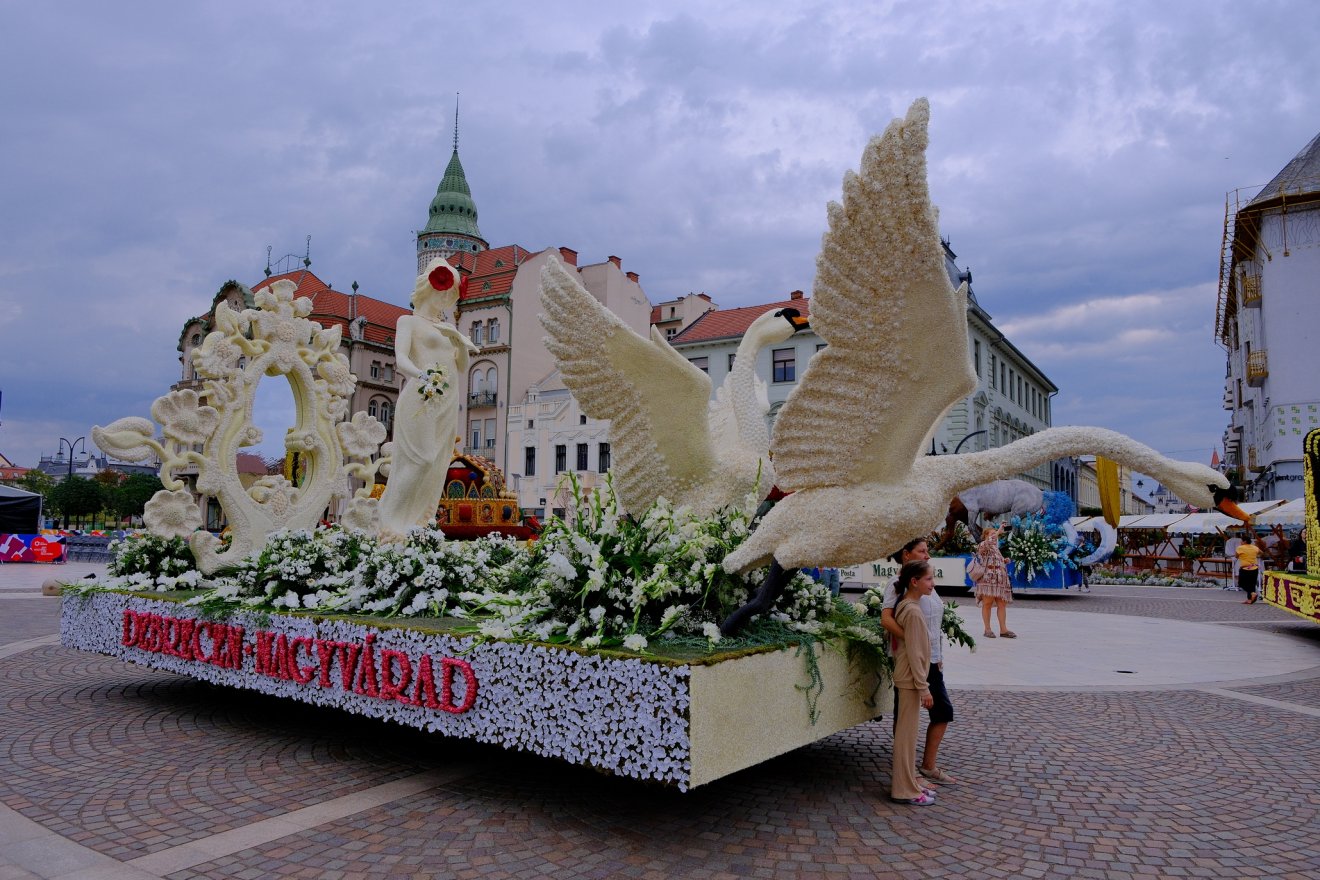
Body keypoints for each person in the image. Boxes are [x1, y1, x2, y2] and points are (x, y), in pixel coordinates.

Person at [376, 259, 478, 542]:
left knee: (438, 463)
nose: (446, 300)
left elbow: (462, 366)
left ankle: (421, 520)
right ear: (427, 288)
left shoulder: (447, 327)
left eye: (451, 296)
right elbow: (401, 360)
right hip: (422, 397)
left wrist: (458, 342)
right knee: (421, 459)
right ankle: (390, 520)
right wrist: (423, 377)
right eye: (443, 292)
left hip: (447, 401)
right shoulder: (408, 321)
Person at [880, 538, 957, 785]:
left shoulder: (926, 583)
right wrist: (913, 641)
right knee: (905, 716)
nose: (927, 555)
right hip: (913, 660)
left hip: (931, 659)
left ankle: (927, 766)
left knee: (942, 711)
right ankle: (907, 772)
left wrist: (937, 655)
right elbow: (887, 619)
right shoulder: (897, 584)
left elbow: (933, 624)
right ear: (906, 554)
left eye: (927, 551)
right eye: (921, 551)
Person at [890, 560, 937, 806]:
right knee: (906, 738)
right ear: (914, 582)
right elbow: (916, 653)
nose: (933, 584)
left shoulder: (907, 605)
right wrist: (924, 687)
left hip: (907, 678)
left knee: (907, 736)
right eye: (929, 579)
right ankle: (904, 789)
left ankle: (910, 783)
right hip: (910, 680)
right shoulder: (914, 611)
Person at [974, 524, 1016, 637]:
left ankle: (1003, 630)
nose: (995, 535)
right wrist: (998, 532)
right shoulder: (983, 545)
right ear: (986, 536)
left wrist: (1005, 560)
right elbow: (989, 543)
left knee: (1002, 604)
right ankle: (987, 629)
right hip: (988, 581)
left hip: (1000, 580)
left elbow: (997, 560)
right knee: (987, 603)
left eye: (995, 534)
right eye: (992, 534)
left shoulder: (996, 548)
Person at [1236, 536, 1262, 604]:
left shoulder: (1240, 548)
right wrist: (1255, 555)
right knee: (1252, 584)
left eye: (1241, 541)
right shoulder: (1254, 547)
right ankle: (1250, 599)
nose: (1240, 542)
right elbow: (1261, 552)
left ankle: (1252, 593)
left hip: (1245, 568)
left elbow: (1236, 556)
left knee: (1241, 583)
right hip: (1254, 568)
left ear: (1245, 541)